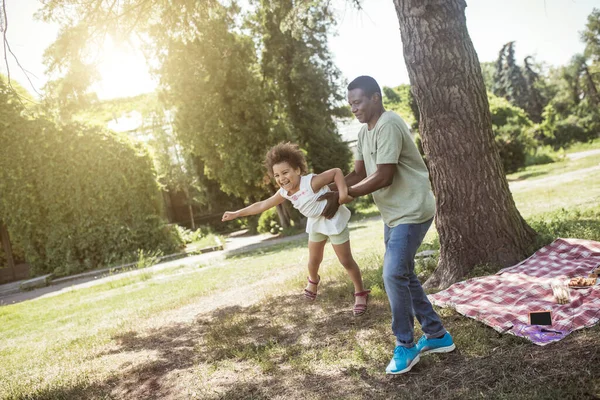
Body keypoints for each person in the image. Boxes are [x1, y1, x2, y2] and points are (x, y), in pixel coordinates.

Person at [319, 76, 455, 374]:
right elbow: (358, 173)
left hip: (413, 209)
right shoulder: (363, 133)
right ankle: (437, 335)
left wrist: (345, 195)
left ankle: (406, 345)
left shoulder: (389, 124)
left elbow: (384, 176)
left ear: (375, 98)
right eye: (350, 104)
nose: (353, 108)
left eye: (358, 102)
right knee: (404, 274)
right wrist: (331, 191)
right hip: (394, 214)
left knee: (393, 274)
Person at [222, 142, 371, 316]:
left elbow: (336, 172)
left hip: (332, 220)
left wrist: (343, 194)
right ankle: (313, 281)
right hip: (316, 223)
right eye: (277, 175)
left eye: (285, 172)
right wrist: (236, 213)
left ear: (298, 171)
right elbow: (262, 204)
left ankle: (360, 292)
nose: (281, 178)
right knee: (313, 260)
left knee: (346, 261)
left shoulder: (311, 183)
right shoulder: (284, 192)